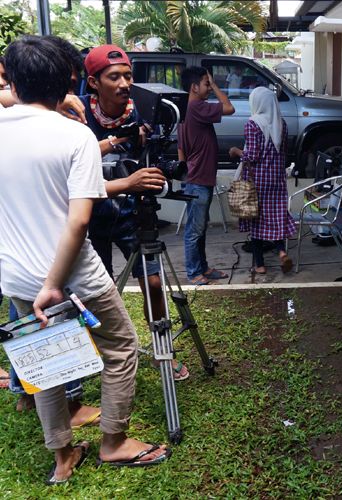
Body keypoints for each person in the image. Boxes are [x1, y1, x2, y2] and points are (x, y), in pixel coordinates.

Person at [0, 35, 170, 485]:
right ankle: (113, 443)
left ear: (12, 79)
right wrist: (55, 284)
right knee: (120, 349)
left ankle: (62, 457)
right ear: (72, 82)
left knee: (44, 362)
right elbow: (78, 223)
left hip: (16, 276)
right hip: (73, 274)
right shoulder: (74, 135)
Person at [82, 44, 189, 381]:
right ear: (94, 82)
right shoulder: (77, 113)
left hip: (131, 213)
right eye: (114, 76)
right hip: (89, 214)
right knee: (95, 294)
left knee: (154, 284)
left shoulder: (143, 111)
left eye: (128, 75)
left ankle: (163, 351)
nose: (124, 83)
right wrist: (116, 141)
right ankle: (100, 355)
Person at [228, 87, 296, 274]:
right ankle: (282, 252)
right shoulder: (281, 124)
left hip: (257, 180)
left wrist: (236, 151)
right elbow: (283, 153)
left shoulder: (253, 123)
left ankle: (259, 265)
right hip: (276, 179)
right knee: (276, 217)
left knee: (256, 221)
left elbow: (252, 155)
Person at [178, 66, 235, 285]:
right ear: (194, 87)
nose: (209, 88)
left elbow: (181, 146)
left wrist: (185, 171)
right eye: (206, 84)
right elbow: (228, 108)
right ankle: (194, 273)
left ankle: (202, 268)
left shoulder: (185, 109)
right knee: (194, 230)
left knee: (199, 228)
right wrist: (217, 85)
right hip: (199, 179)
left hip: (197, 177)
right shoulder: (197, 107)